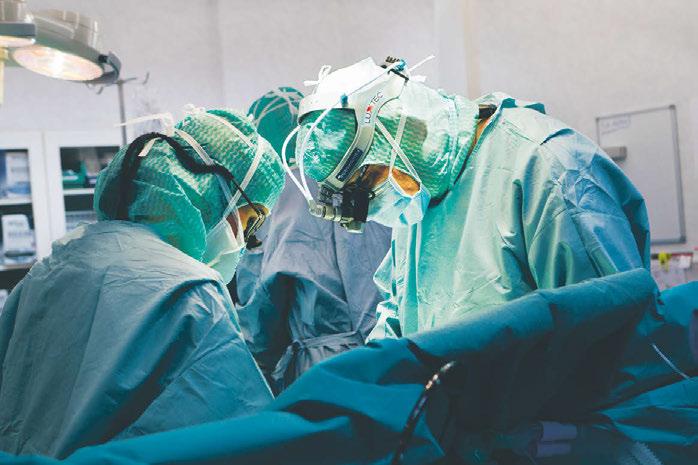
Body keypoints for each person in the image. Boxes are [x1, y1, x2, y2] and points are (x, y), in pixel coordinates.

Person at [291, 57, 650, 339]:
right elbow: (399, 317)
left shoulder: (545, 167)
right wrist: (372, 379)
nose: (373, 201)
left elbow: (609, 336)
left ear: (403, 132)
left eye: (367, 180)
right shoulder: (417, 200)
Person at [0, 108, 285, 458]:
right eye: (250, 221)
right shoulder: (190, 292)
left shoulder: (47, 271)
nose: (245, 241)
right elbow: (239, 438)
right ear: (209, 196)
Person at [233, 88, 391, 393]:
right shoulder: (368, 178)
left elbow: (262, 317)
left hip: (326, 370)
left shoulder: (279, 199)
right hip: (391, 353)